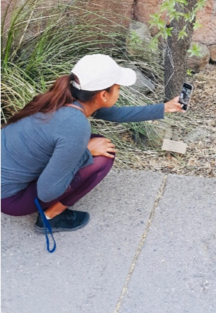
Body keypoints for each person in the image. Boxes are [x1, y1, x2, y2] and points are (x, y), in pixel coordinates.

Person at [0, 54, 183, 250]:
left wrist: (164, 108)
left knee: (93, 143)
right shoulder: (75, 125)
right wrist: (86, 153)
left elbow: (116, 114)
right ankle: (51, 217)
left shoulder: (66, 97)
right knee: (103, 157)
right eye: (118, 88)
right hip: (11, 199)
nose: (119, 91)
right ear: (103, 95)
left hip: (9, 177)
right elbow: (47, 191)